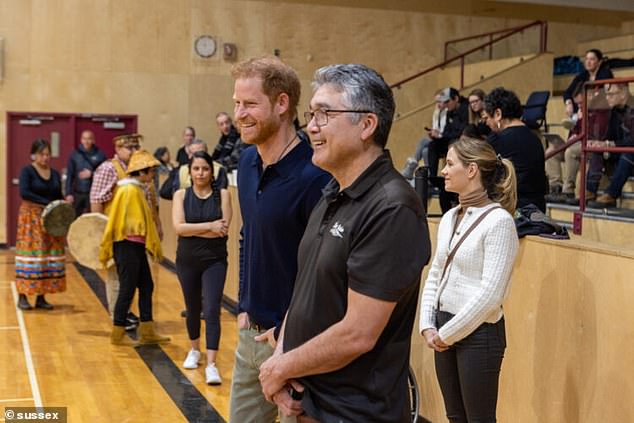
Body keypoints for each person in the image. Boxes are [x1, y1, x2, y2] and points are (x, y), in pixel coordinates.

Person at [258, 64, 432, 422]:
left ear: (366, 125)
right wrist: (280, 361)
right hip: (305, 401)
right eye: (311, 114)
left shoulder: (392, 207)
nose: (311, 126)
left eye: (325, 114)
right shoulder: (332, 191)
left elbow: (358, 333)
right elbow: (305, 290)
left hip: (353, 413)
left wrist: (281, 367)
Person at [229, 56, 331, 423]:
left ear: (282, 103)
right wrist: (243, 305)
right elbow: (247, 236)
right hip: (249, 337)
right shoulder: (245, 163)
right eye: (237, 103)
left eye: (250, 104)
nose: (240, 113)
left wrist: (289, 333)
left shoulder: (315, 174)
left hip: (297, 344)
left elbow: (321, 269)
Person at [419, 136, 519, 423]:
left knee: (479, 419)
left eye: (450, 164)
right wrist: (427, 323)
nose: (444, 171)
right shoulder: (450, 216)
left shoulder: (499, 222)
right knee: (455, 416)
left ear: (472, 170)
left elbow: (491, 294)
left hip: (479, 335)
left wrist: (447, 334)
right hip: (443, 329)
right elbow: (436, 272)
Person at [172, 150, 232, 384]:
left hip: (214, 261)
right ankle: (194, 349)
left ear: (212, 171)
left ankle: (212, 364)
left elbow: (223, 231)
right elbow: (179, 228)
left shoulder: (224, 195)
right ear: (189, 171)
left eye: (205, 169)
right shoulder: (180, 195)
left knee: (212, 309)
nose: (200, 173)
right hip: (186, 260)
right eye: (196, 169)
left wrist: (193, 229)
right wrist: (209, 226)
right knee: (192, 306)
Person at [99, 149, 169, 347]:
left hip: (134, 246)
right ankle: (117, 334)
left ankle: (147, 330)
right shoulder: (129, 190)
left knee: (146, 286)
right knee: (127, 289)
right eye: (151, 172)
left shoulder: (134, 188)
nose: (153, 175)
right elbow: (133, 221)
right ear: (142, 171)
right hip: (127, 245)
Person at [90, 134, 145, 329]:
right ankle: (116, 314)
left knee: (129, 276)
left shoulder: (134, 169)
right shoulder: (108, 168)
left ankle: (125, 311)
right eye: (129, 148)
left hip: (132, 232)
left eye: (135, 147)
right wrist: (99, 230)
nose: (133, 151)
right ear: (119, 149)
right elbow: (96, 199)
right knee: (115, 275)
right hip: (114, 231)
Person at [15, 139, 67, 310]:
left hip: (50, 219)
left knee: (47, 256)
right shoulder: (27, 171)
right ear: (34, 154)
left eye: (47, 154)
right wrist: (46, 202)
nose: (45, 158)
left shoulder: (54, 173)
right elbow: (24, 192)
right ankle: (23, 296)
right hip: (31, 219)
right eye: (41, 154)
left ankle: (41, 297)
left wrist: (63, 203)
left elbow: (58, 193)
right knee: (31, 256)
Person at [483, 87, 548, 212]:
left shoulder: (497, 140)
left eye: (487, 118)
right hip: (538, 209)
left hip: (511, 210)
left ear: (498, 114)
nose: (487, 123)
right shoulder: (536, 139)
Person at [588, 83, 634, 208]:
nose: (607, 98)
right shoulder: (615, 111)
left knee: (629, 152)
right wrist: (600, 143)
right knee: (598, 150)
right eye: (607, 94)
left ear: (623, 93)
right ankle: (590, 191)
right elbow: (610, 135)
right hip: (621, 152)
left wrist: (611, 144)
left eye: (611, 94)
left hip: (630, 154)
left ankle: (611, 194)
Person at [401, 89, 448, 179]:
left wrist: (438, 134)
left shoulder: (448, 112)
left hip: (445, 140)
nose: (438, 104)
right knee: (425, 151)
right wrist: (432, 133)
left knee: (423, 141)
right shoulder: (437, 111)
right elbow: (436, 128)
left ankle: (413, 163)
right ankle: (429, 177)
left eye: (440, 101)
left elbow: (446, 131)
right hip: (437, 139)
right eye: (436, 102)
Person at [563, 49, 613, 127]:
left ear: (599, 62)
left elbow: (602, 94)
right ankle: (575, 120)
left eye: (592, 59)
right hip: (585, 109)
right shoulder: (582, 75)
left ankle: (576, 120)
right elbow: (567, 92)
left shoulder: (605, 73)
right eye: (586, 59)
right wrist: (568, 103)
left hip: (599, 109)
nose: (588, 62)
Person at [65, 130, 106, 216]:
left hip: (94, 194)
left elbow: (105, 173)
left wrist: (92, 174)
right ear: (81, 140)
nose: (86, 141)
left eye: (89, 139)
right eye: (84, 138)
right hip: (77, 193)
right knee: (74, 218)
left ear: (93, 140)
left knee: (92, 218)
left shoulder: (100, 155)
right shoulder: (75, 155)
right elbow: (70, 175)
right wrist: (68, 193)